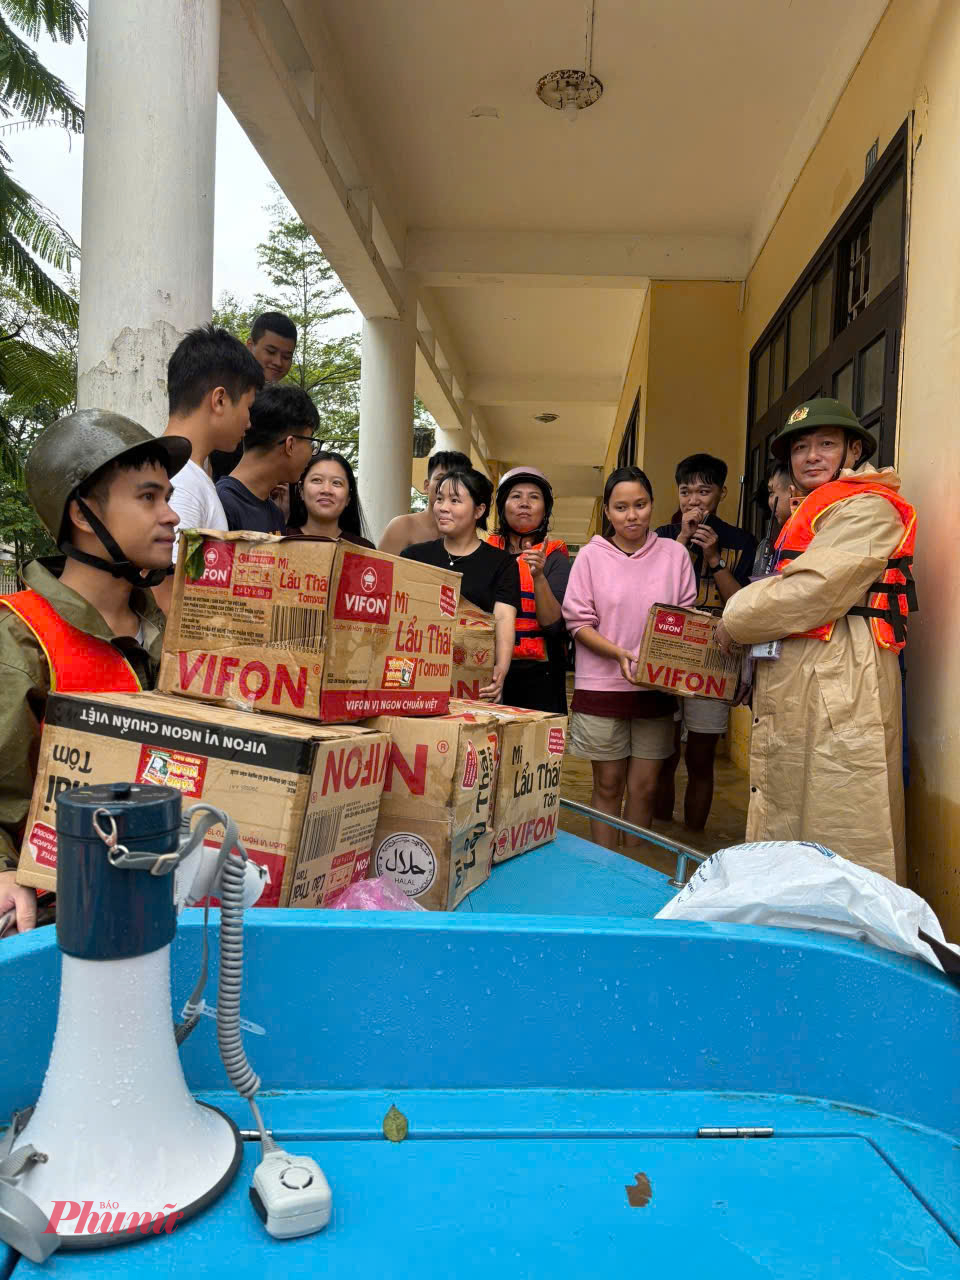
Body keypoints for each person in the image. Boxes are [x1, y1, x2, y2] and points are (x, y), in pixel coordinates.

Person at [0, 410, 189, 936]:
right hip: (60, 920)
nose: (171, 515)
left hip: (163, 904)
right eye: (149, 498)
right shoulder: (19, 636)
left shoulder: (167, 632)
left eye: (168, 498)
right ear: (84, 514)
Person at [717, 398, 917, 883]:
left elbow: (811, 590)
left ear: (852, 449)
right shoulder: (811, 512)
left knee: (843, 817)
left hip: (843, 680)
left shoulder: (868, 508)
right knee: (792, 809)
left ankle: (850, 944)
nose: (810, 456)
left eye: (825, 444)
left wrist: (734, 618)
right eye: (800, 447)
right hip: (802, 676)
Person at [563, 466, 696, 850]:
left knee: (646, 787)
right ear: (607, 511)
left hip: (655, 688)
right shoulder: (590, 556)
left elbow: (685, 619)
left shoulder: (674, 555)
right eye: (621, 507)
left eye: (640, 504)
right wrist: (619, 653)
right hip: (601, 688)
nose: (631, 515)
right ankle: (604, 869)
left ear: (653, 505)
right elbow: (577, 622)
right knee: (607, 784)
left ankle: (633, 869)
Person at [654, 454, 757, 831]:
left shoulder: (741, 542)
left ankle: (693, 843)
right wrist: (681, 540)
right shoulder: (661, 537)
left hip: (715, 657)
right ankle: (660, 839)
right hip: (664, 651)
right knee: (662, 754)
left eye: (704, 491)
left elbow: (742, 606)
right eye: (686, 491)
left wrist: (714, 558)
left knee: (701, 758)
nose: (694, 500)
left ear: (722, 494)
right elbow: (654, 594)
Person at [153, 326, 264, 611]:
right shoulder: (182, 481)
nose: (249, 422)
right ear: (220, 400)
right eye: (248, 407)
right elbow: (169, 597)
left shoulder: (184, 474)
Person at [402, 468, 519, 701]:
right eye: (440, 499)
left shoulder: (502, 564)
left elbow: (504, 618)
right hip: (417, 676)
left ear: (479, 510)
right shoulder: (413, 556)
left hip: (473, 678)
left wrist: (501, 668)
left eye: (455, 501)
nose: (443, 507)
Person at [486, 466, 570, 713]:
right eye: (516, 496)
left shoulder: (555, 557)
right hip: (489, 669)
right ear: (503, 506)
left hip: (541, 673)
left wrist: (539, 577)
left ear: (545, 509)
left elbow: (553, 624)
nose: (524, 503)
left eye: (534, 497)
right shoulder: (485, 553)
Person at [216, 385, 319, 534]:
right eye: (311, 443)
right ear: (290, 445)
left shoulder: (275, 514)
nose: (311, 453)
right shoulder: (221, 505)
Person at [210, 312, 298, 483]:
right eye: (271, 351)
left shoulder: (282, 404)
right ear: (250, 345)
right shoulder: (229, 393)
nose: (278, 362)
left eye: (286, 356)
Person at [378, 449, 472, 555]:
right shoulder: (402, 527)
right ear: (426, 486)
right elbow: (380, 570)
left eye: (456, 480)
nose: (448, 486)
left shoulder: (468, 536)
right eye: (440, 478)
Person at [287, 450, 374, 547]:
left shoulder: (364, 550)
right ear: (301, 490)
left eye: (337, 483)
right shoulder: (279, 541)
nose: (326, 490)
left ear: (348, 497)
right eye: (317, 480)